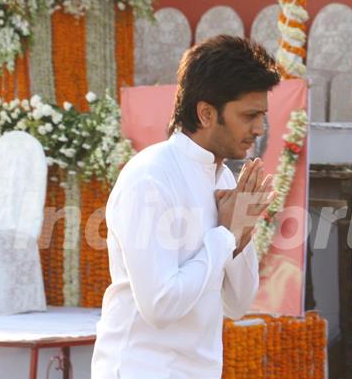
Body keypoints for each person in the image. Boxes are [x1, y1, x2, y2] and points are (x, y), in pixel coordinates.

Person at [91, 35, 281, 378]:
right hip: (140, 368)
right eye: (249, 115)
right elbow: (160, 305)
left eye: (262, 115)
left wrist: (242, 237)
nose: (259, 129)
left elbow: (237, 305)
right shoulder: (150, 177)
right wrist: (225, 235)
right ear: (206, 113)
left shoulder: (223, 180)